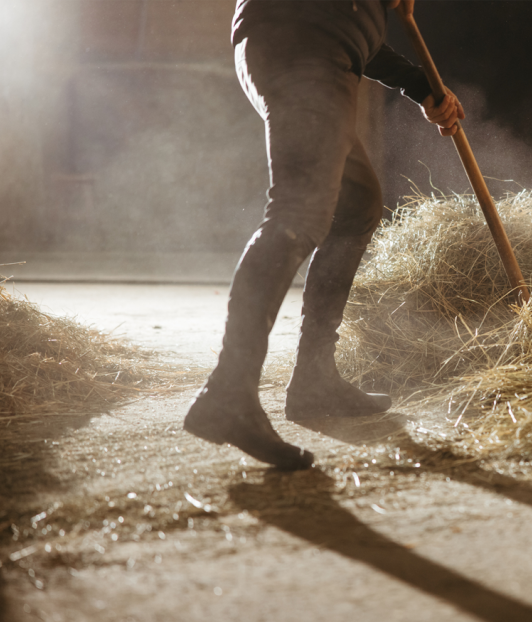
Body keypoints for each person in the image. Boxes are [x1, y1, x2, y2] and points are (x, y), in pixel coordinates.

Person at [183, 0, 464, 470]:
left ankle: (314, 379)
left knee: (356, 206)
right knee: (298, 211)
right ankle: (228, 391)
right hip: (301, 44)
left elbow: (357, 31)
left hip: (318, 45)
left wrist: (419, 85)